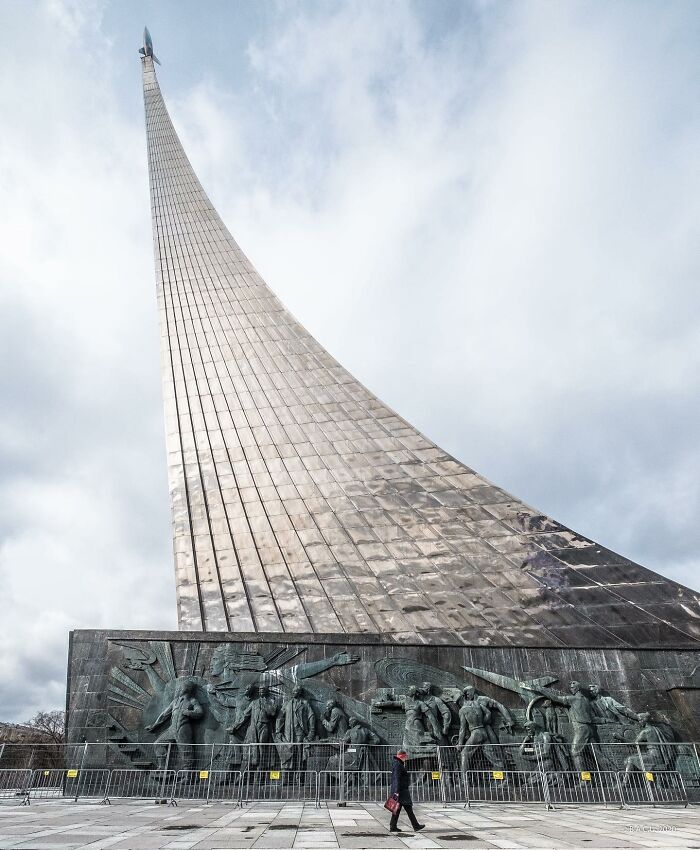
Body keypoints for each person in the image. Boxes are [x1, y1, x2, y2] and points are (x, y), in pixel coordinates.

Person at [388, 750, 425, 833]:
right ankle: (416, 826)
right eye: (405, 756)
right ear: (401, 756)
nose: (406, 758)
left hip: (400, 791)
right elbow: (397, 778)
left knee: (397, 810)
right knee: (408, 809)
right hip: (401, 791)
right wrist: (397, 791)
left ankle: (393, 826)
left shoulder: (398, 763)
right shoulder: (398, 764)